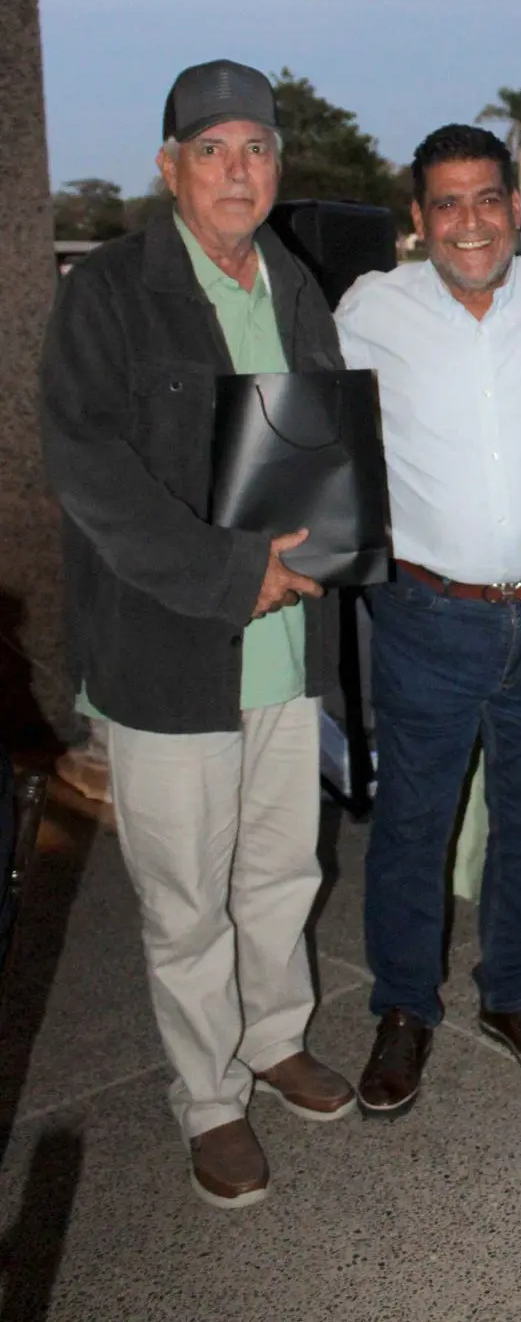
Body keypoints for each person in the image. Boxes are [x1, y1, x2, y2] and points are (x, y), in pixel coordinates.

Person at [40, 60, 354, 1211]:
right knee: (183, 900)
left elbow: (322, 439)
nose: (236, 170)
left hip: (285, 648)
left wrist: (343, 542)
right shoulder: (110, 290)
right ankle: (210, 1098)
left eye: (255, 149)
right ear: (169, 167)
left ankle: (274, 1040)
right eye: (211, 150)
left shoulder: (293, 282)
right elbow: (88, 469)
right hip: (167, 648)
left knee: (280, 869)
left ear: (277, 165)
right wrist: (231, 571)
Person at [335, 124, 521, 1120]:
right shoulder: (370, 312)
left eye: (486, 198)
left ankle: (513, 993)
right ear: (418, 219)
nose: (469, 222)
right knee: (414, 822)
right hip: (427, 618)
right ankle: (405, 1007)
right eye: (446, 203)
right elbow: (312, 428)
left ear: (515, 207)